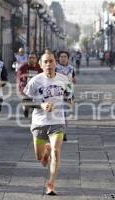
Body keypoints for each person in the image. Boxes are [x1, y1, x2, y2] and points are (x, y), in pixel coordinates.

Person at [23, 52, 73, 195]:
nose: (49, 65)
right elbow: (25, 101)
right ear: (40, 64)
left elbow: (70, 101)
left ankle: (51, 184)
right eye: (45, 62)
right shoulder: (35, 81)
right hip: (39, 122)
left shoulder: (65, 80)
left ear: (55, 63)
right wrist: (41, 106)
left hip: (57, 122)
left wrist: (61, 105)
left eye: (51, 61)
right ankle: (45, 153)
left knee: (56, 152)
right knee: (40, 157)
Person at [56, 50, 76, 142]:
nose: (63, 59)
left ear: (68, 58)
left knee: (64, 113)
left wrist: (71, 96)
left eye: (65, 57)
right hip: (56, 93)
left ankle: (62, 132)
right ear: (58, 58)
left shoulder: (71, 68)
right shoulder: (55, 68)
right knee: (58, 114)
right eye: (61, 57)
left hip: (67, 93)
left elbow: (72, 80)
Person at [17, 52, 42, 118]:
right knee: (26, 106)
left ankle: (34, 116)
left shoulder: (39, 67)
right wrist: (20, 87)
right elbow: (18, 78)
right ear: (27, 59)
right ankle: (26, 110)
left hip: (36, 90)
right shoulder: (23, 67)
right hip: (25, 89)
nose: (32, 59)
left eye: (33, 58)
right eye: (30, 58)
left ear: (36, 59)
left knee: (36, 106)